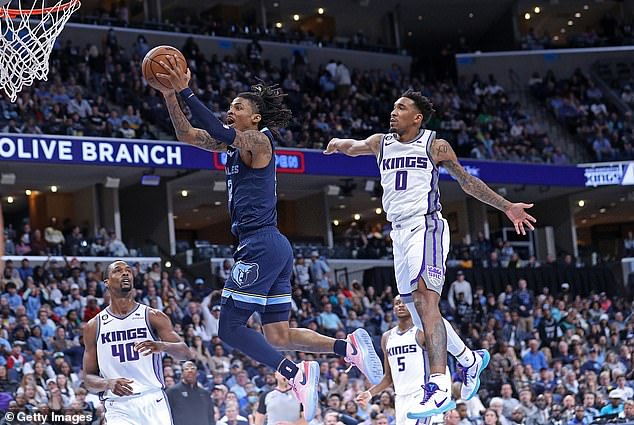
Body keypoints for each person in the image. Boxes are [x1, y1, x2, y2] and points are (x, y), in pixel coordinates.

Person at [157, 57, 382, 421]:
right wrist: (170, 96)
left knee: (229, 328)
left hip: (260, 244)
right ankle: (347, 346)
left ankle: (295, 373)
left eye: (237, 106)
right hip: (273, 246)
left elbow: (219, 129)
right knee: (276, 336)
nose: (230, 110)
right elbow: (189, 135)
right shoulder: (235, 146)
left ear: (255, 117)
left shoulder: (258, 142)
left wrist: (185, 89)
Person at [324, 89, 536, 418]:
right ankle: (469, 359)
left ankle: (438, 383)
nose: (393, 112)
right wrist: (338, 143)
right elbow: (355, 148)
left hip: (427, 226)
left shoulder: (434, 145)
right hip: (397, 233)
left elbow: (467, 182)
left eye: (401, 108)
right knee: (421, 314)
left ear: (417, 117)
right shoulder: (381, 142)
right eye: (394, 107)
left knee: (426, 301)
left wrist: (507, 206)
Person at [82, 260, 194, 425]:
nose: (125, 273)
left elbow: (186, 353)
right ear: (106, 282)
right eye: (118, 271)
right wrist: (108, 383)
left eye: (128, 270)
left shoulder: (153, 316)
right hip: (117, 405)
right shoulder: (94, 326)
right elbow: (88, 379)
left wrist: (162, 346)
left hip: (152, 399)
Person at [355, 295, 463, 425]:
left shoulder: (422, 331)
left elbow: (441, 365)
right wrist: (369, 393)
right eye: (397, 303)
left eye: (405, 302)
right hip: (400, 398)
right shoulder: (387, 337)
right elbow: (388, 377)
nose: (400, 305)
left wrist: (444, 395)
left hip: (422, 395)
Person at [166, 361, 215, 425]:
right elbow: (166, 416)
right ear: (182, 373)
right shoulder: (171, 392)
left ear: (197, 373)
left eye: (192, 368)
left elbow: (210, 417)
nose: (190, 371)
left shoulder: (205, 394)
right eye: (186, 369)